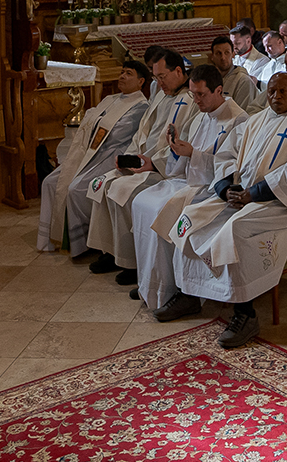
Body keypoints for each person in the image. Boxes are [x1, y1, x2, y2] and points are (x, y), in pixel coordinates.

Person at [170, 73, 287, 349]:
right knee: (190, 217)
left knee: (236, 229)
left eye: (283, 92)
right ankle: (189, 292)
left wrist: (252, 194)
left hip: (280, 202)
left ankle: (246, 314)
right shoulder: (255, 121)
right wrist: (224, 188)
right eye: (271, 91)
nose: (276, 97)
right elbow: (226, 156)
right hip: (242, 194)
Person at [140, 65, 248, 318]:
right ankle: (152, 283)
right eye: (193, 94)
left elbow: (233, 168)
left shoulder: (238, 119)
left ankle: (177, 290)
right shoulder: (201, 115)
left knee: (163, 210)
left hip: (213, 187)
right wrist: (178, 149)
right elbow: (185, 157)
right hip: (191, 179)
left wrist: (194, 155)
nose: (196, 101)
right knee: (142, 201)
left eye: (201, 95)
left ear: (218, 90)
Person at [86, 48, 199, 283]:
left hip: (164, 169)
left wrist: (153, 164)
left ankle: (132, 262)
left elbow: (183, 142)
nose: (158, 82)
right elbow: (143, 130)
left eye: (162, 77)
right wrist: (131, 156)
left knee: (125, 193)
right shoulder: (161, 94)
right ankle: (111, 251)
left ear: (178, 71)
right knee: (102, 184)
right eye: (155, 77)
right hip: (142, 159)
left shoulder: (190, 100)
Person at [37, 60, 151, 256]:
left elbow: (115, 134)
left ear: (141, 81)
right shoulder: (111, 98)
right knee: (49, 182)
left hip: (109, 155)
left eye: (129, 73)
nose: (122, 76)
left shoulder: (140, 106)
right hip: (87, 152)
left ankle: (81, 244)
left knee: (75, 189)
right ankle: (52, 238)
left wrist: (93, 126)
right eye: (122, 72)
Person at [210, 34, 264, 113]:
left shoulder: (243, 80)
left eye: (227, 52)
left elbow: (242, 114)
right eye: (218, 53)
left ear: (233, 54)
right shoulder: (210, 78)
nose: (223, 58)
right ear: (212, 56)